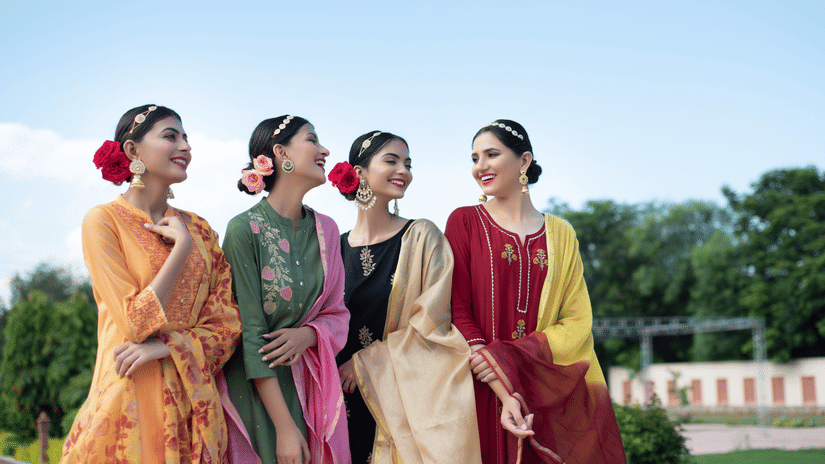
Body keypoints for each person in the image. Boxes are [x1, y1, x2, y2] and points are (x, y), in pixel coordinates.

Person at [61, 104, 246, 463]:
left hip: (195, 406)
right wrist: (181, 252)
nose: (186, 146)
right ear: (132, 151)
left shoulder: (202, 229)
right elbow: (135, 323)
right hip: (129, 396)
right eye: (171, 136)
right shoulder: (104, 221)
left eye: (186, 137)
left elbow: (228, 328)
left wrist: (168, 346)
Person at [444, 120, 626, 464]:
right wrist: (493, 368)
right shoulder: (464, 221)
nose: (479, 166)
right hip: (478, 383)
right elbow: (456, 306)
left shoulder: (561, 234)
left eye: (491, 154)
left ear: (523, 161)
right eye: (474, 158)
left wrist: (512, 359)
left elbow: (576, 320)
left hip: (544, 388)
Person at [329, 131, 481, 464]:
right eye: (392, 161)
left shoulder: (422, 237)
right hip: (338, 403)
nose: (404, 171)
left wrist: (368, 362)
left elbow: (434, 323)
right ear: (360, 171)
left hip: (399, 400)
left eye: (408, 164)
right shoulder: (332, 247)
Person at [222, 115, 351, 464]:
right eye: (312, 140)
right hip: (257, 392)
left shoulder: (326, 230)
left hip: (312, 386)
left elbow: (337, 313)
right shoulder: (243, 229)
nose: (323, 150)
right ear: (280, 152)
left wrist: (307, 336)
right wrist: (283, 427)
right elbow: (250, 331)